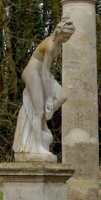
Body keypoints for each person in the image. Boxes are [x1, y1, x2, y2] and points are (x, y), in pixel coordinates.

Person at [12, 17, 75, 161]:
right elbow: (45, 72)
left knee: (61, 97)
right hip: (33, 73)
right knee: (38, 110)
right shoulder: (51, 45)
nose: (67, 39)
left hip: (43, 74)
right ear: (59, 33)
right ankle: (37, 144)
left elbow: (46, 73)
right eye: (66, 36)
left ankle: (41, 122)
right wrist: (48, 99)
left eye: (69, 37)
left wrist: (51, 101)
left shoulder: (58, 43)